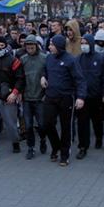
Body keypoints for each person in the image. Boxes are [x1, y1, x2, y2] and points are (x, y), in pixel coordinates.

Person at [41, 35, 87, 166]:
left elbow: (80, 80)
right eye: (49, 44)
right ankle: (56, 146)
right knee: (47, 123)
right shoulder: (49, 58)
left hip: (66, 97)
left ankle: (64, 154)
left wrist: (80, 97)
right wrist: (43, 77)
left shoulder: (71, 60)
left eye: (52, 45)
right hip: (50, 96)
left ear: (59, 46)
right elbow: (45, 71)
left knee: (66, 127)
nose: (49, 47)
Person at [75, 34, 104, 159]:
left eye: (85, 43)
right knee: (82, 122)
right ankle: (83, 146)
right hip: (82, 97)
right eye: (82, 43)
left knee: (97, 120)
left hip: (96, 96)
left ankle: (99, 137)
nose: (83, 45)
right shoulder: (78, 59)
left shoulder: (100, 58)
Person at [20, 35, 47, 159]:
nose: (30, 48)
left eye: (32, 46)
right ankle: (30, 147)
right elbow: (19, 78)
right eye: (28, 46)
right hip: (27, 98)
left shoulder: (44, 58)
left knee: (41, 124)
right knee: (28, 125)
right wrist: (19, 92)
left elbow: (48, 75)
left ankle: (43, 139)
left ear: (36, 46)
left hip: (40, 98)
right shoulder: (23, 59)